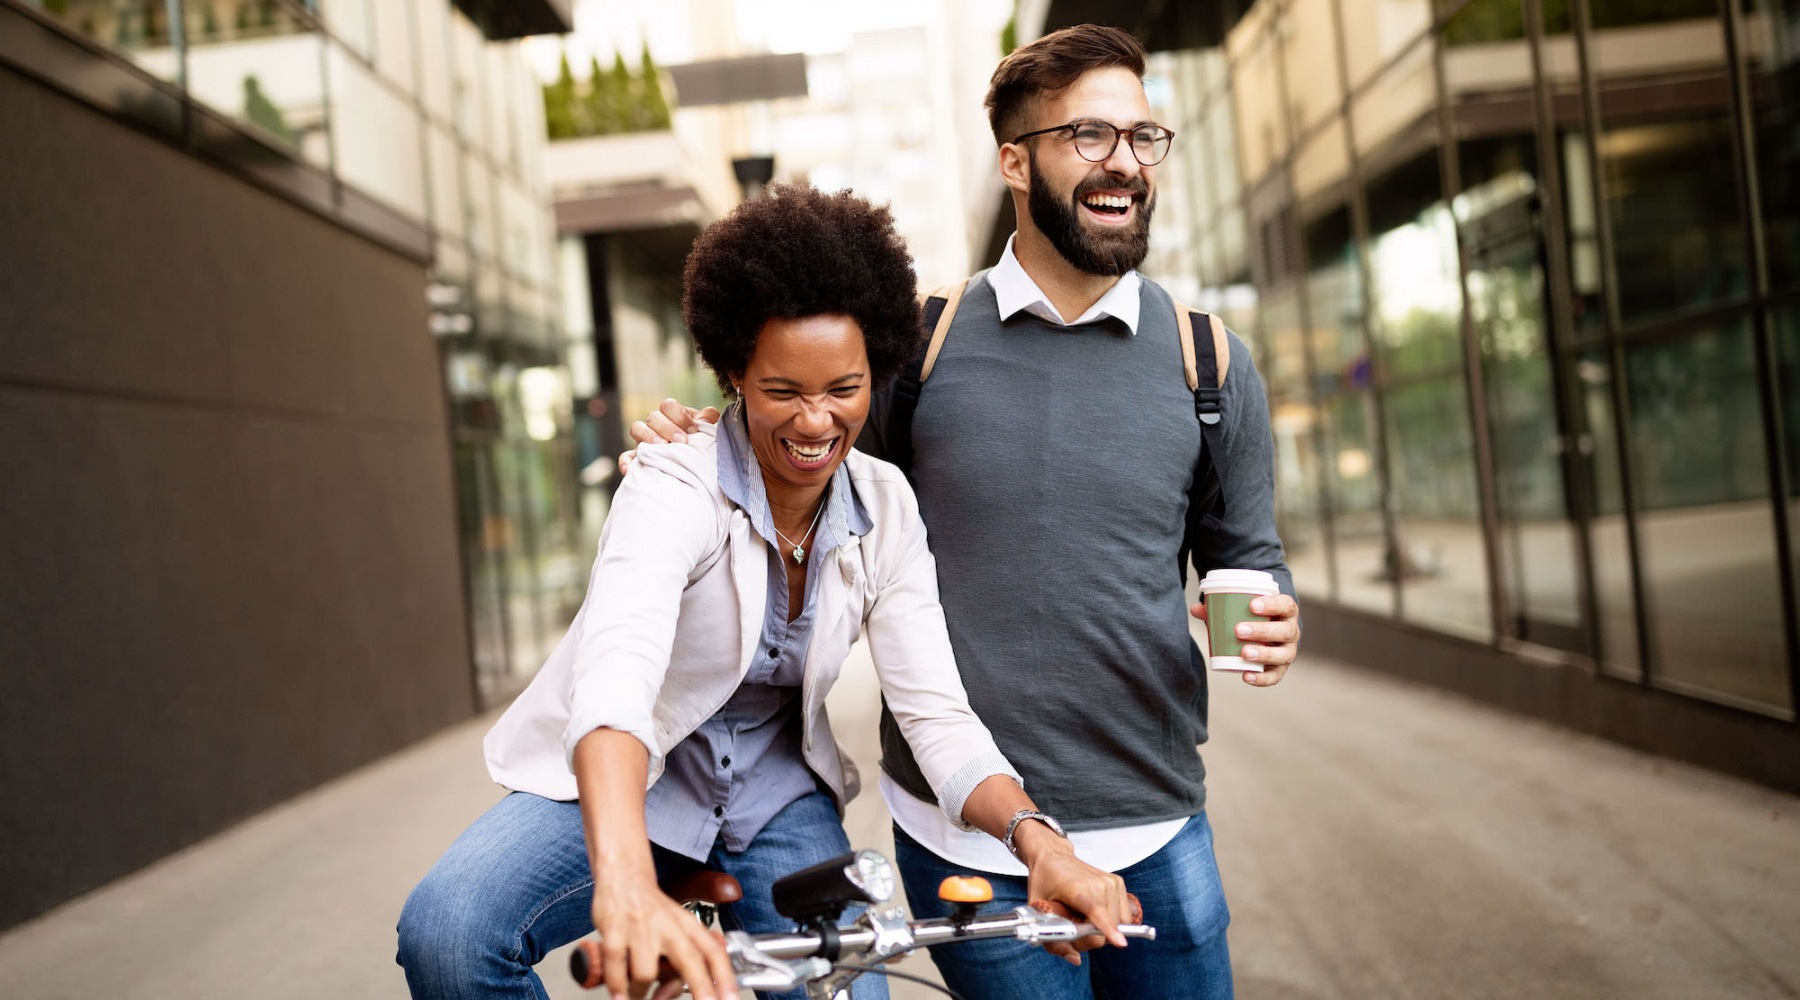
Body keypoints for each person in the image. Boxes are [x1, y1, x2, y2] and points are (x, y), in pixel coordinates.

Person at [627, 25, 1303, 1000]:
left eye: (1142, 137)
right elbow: (794, 466)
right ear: (1014, 162)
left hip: (1159, 826)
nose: (1124, 160)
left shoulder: (1213, 363)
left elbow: (1250, 557)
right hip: (966, 840)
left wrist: (1274, 615)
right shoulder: (920, 349)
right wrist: (696, 441)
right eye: (1090, 135)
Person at [395, 185, 1135, 1000]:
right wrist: (626, 882)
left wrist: (1041, 843)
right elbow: (614, 683)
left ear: (875, 374)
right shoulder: (673, 485)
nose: (815, 422)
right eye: (783, 391)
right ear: (735, 374)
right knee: (447, 931)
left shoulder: (886, 505)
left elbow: (937, 716)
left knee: (848, 990)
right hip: (635, 777)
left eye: (843, 389)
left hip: (776, 797)